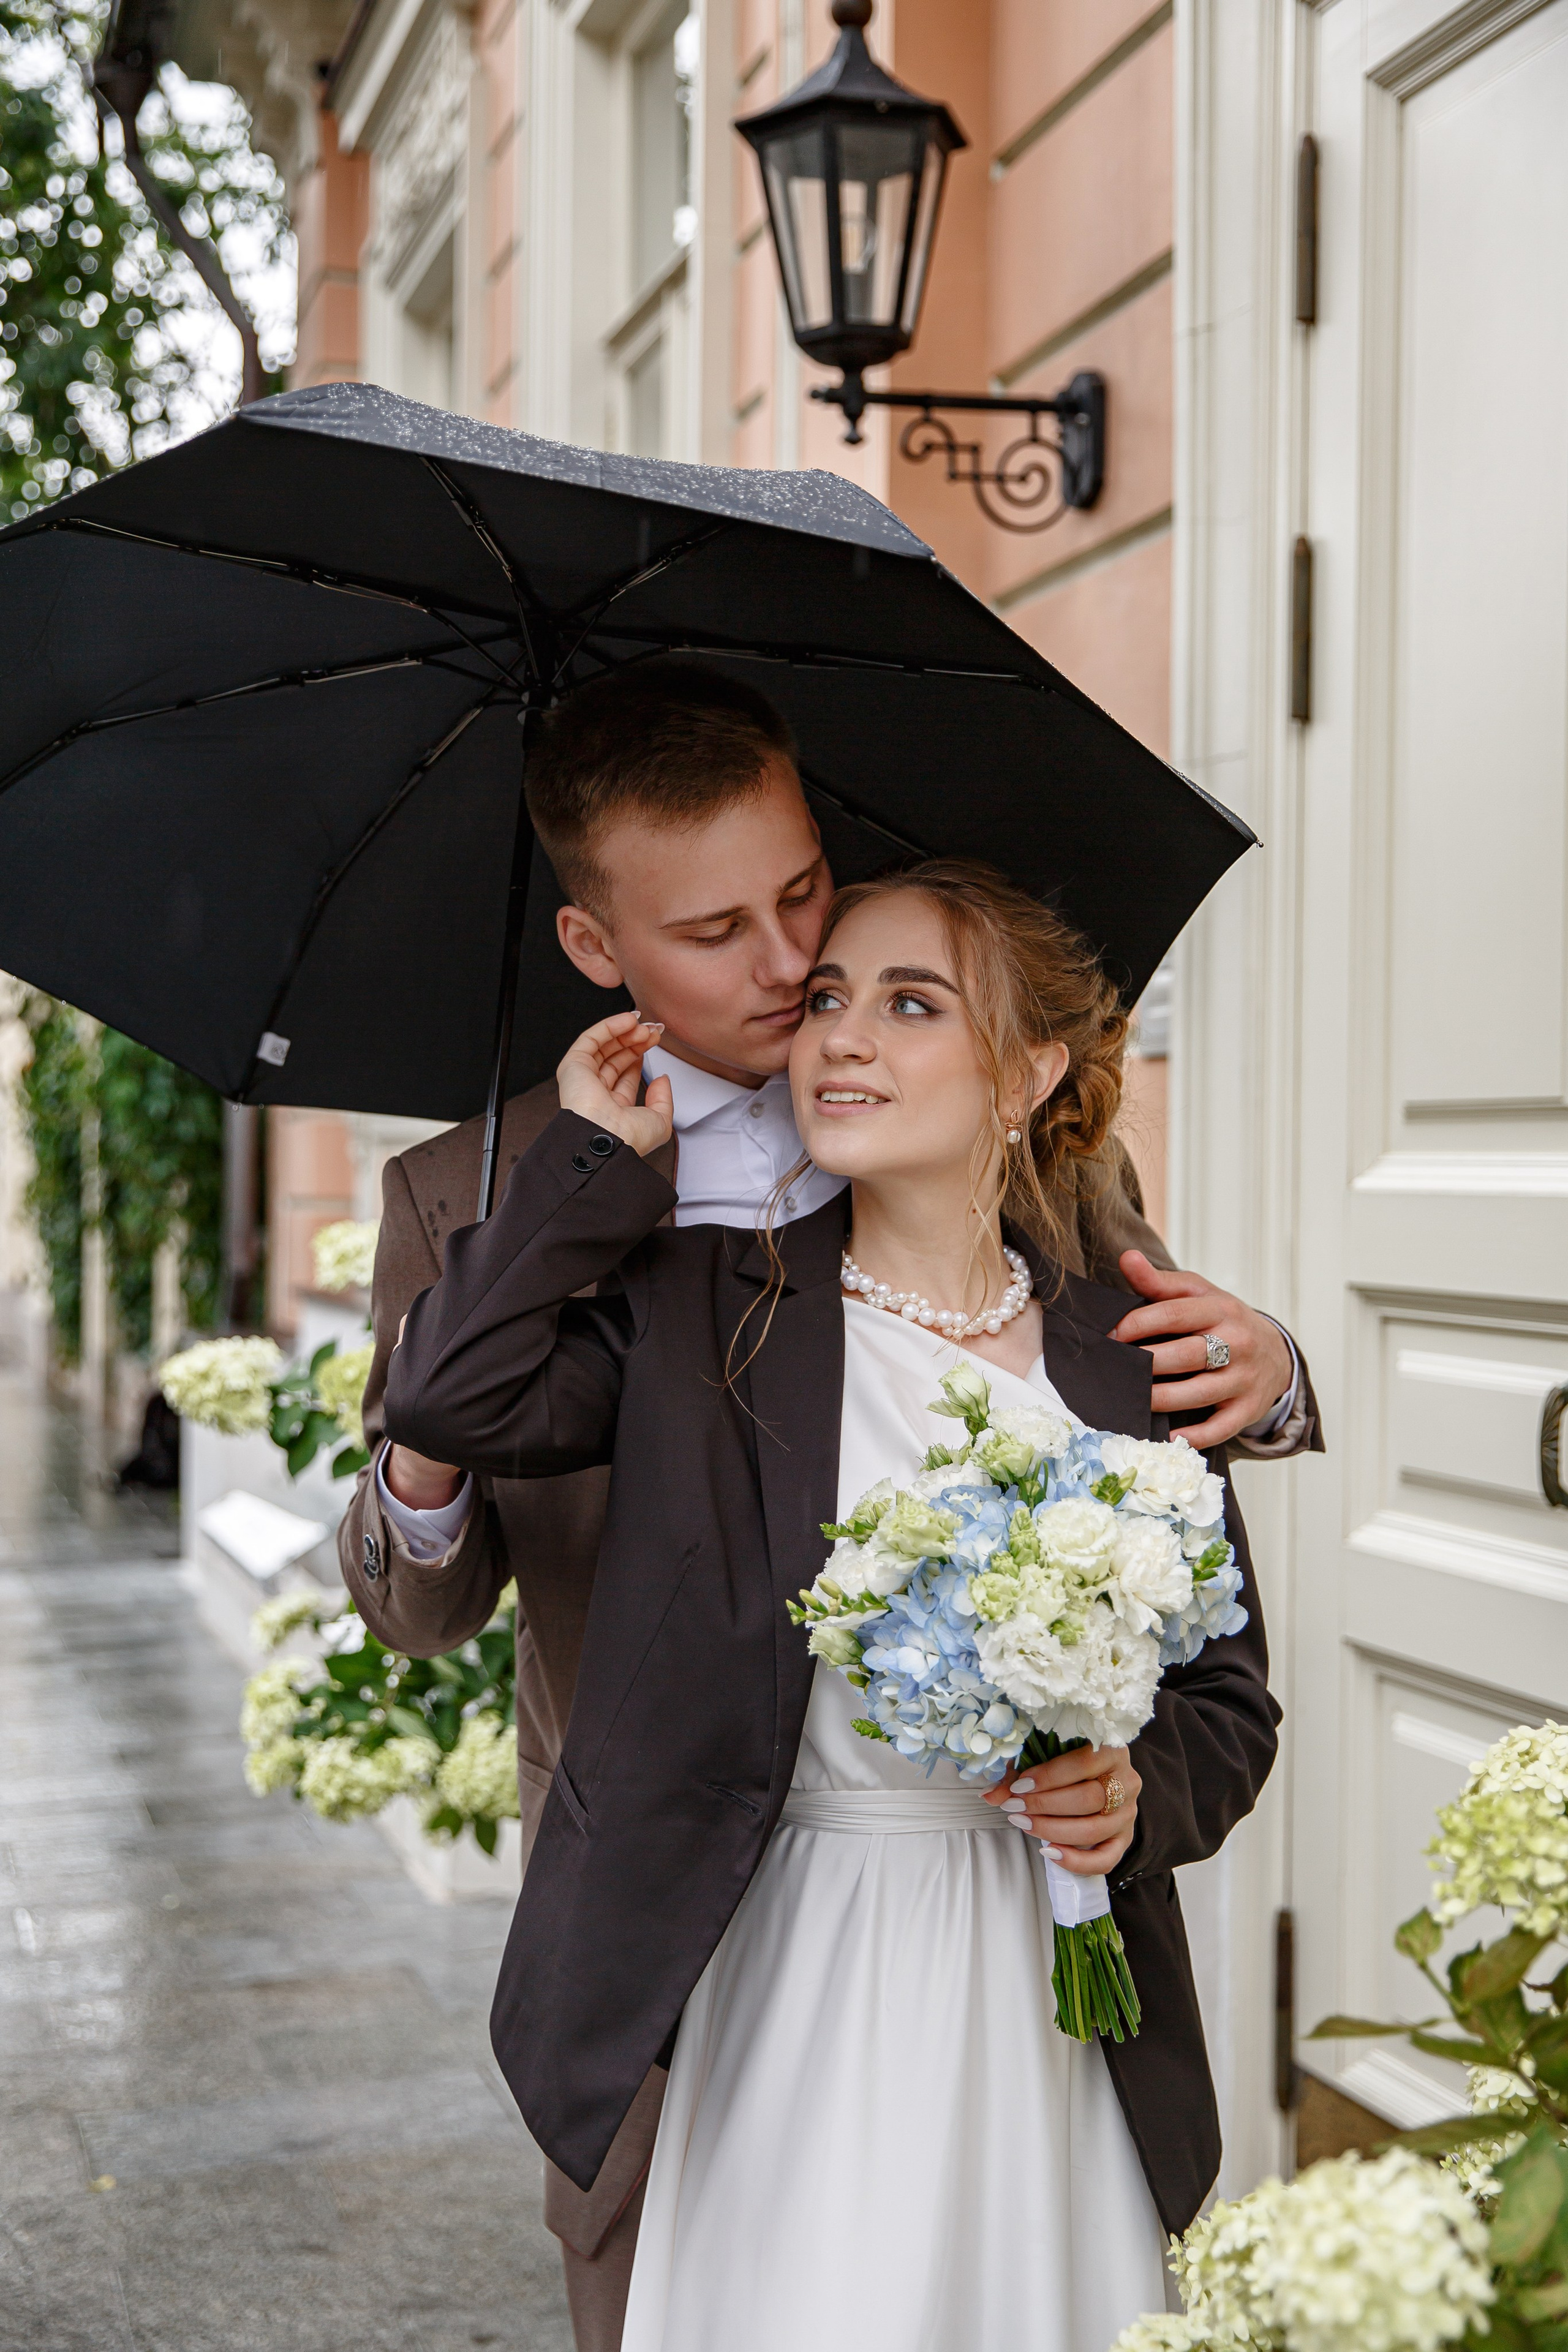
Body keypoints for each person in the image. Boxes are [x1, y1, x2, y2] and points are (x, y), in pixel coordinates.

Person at [337, 662, 1319, 2347]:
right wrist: (574, 1193)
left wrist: (1279, 1371)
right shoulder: (521, 1218)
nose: (800, 979)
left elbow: (1163, 1438)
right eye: (721, 933)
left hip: (1037, 1951)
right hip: (692, 1922)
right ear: (600, 950)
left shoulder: (1042, 1193)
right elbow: (429, 1525)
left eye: (807, 896)